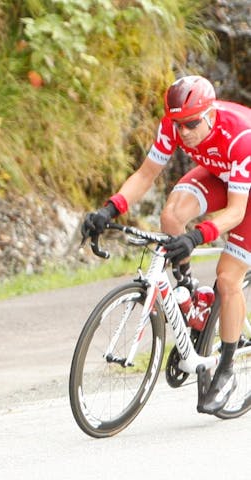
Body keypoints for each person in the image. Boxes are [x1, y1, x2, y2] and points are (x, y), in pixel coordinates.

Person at [81, 75, 251, 413]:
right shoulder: (175, 125)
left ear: (210, 114)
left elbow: (235, 212)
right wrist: (110, 208)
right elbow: (146, 175)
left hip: (245, 196)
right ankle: (191, 299)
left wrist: (196, 236)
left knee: (228, 278)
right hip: (218, 174)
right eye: (177, 123)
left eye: (190, 124)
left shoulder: (240, 138)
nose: (183, 132)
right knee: (171, 216)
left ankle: (228, 368)